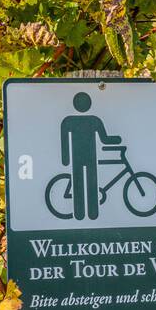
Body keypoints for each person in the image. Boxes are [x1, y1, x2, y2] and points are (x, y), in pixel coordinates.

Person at [59, 92, 122, 221]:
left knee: (79, 184)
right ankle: (92, 214)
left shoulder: (69, 121)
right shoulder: (94, 120)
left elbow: (64, 141)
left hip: (77, 157)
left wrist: (66, 159)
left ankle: (80, 215)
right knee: (91, 184)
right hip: (90, 156)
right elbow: (105, 139)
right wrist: (117, 140)